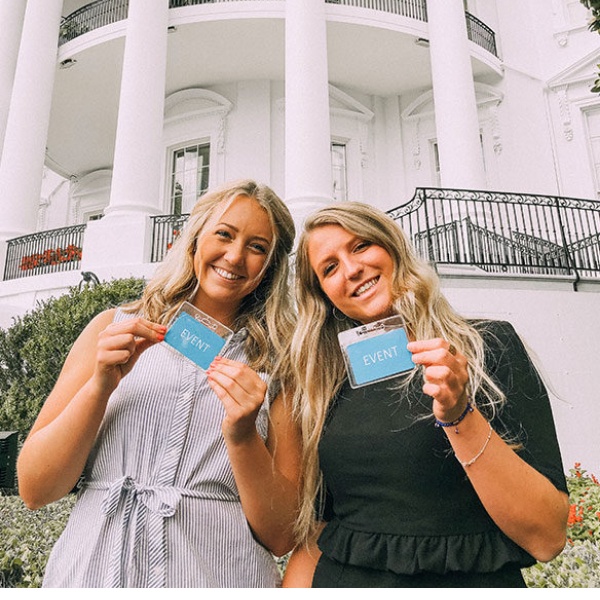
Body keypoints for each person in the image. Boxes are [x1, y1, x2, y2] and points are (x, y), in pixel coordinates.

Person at [17, 179, 302, 588]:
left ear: (271, 267)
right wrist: (100, 385)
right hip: (92, 572)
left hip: (217, 574)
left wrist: (242, 436)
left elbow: (281, 536)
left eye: (258, 247)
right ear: (195, 238)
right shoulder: (111, 329)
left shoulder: (281, 366)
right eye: (224, 234)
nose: (236, 256)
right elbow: (35, 488)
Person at [283, 201, 569, 588]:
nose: (351, 270)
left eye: (361, 246)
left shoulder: (488, 345)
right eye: (329, 268)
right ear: (323, 295)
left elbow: (547, 536)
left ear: (393, 247)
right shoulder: (326, 383)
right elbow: (318, 535)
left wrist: (458, 413)